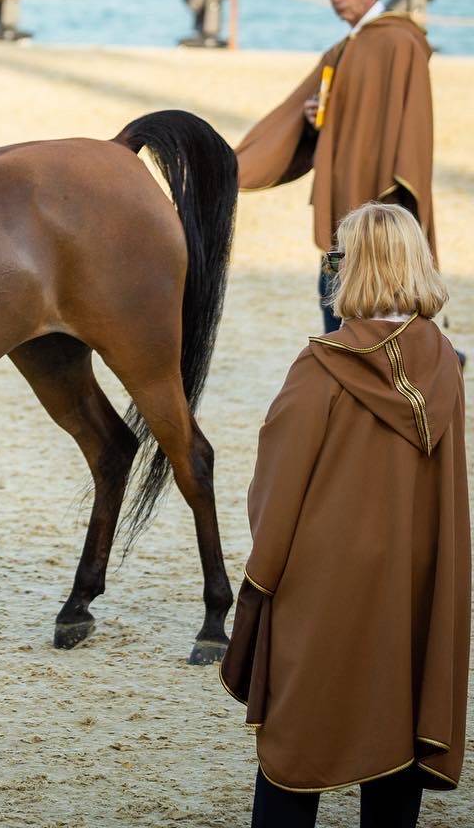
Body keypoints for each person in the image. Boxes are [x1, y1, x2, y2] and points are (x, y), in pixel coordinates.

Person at [220, 201, 467, 828]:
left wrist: (260, 583)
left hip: (321, 589)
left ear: (355, 268)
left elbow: (277, 487)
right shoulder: (444, 365)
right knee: (394, 738)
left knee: (293, 752)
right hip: (412, 587)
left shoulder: (323, 364)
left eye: (340, 256)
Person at [235, 0, 434, 332]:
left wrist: (394, 196)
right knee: (333, 282)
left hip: (380, 198)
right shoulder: (345, 47)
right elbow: (308, 115)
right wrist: (315, 120)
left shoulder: (398, 42)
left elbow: (408, 125)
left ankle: (432, 357)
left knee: (375, 294)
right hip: (341, 195)